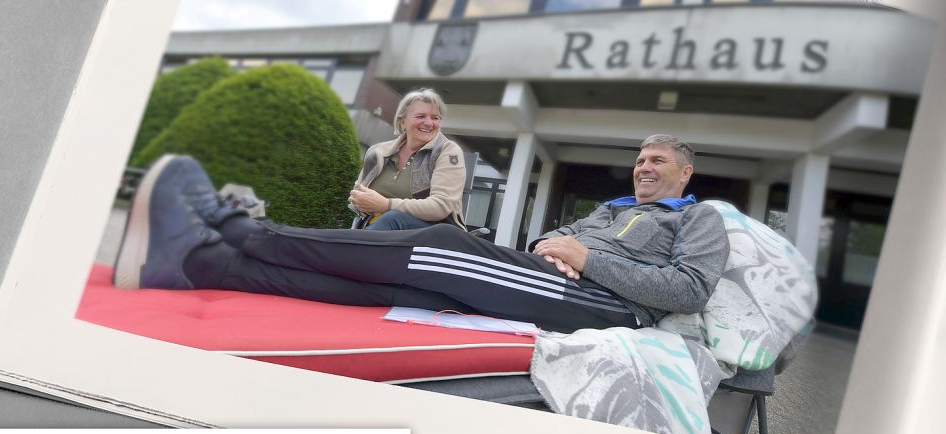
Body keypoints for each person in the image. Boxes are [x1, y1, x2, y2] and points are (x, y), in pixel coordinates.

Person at [113, 135, 728, 334]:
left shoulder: (700, 218)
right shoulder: (608, 207)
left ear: (685, 172)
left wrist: (586, 258)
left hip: (605, 307)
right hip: (549, 282)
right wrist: (557, 247)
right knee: (403, 293)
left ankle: (238, 228)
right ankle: (205, 265)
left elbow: (689, 289)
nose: (644, 168)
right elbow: (553, 241)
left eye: (658, 162)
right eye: (641, 160)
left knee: (444, 249)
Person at [348, 88, 467, 231]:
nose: (429, 123)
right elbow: (357, 196)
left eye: (435, 118)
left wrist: (386, 205)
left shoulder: (447, 151)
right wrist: (362, 202)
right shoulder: (377, 152)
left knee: (391, 218)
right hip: (378, 229)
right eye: (421, 116)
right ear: (402, 121)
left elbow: (440, 207)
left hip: (433, 234)